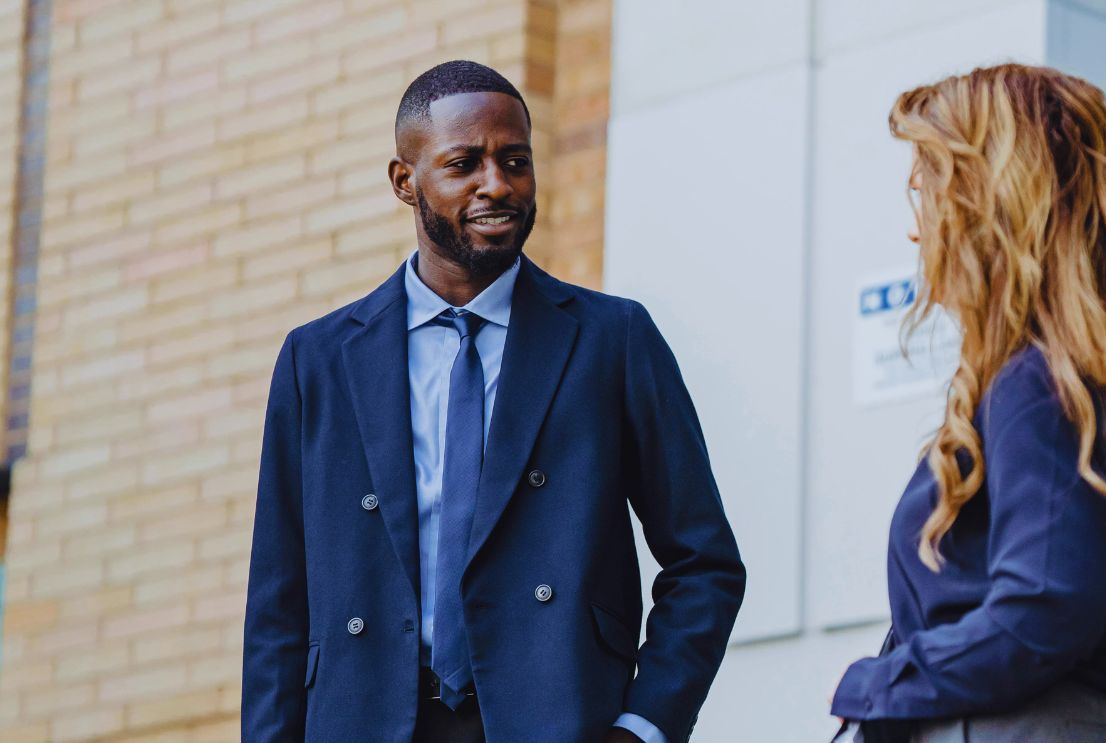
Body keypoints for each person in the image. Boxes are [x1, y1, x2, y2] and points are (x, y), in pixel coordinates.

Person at [242, 60, 745, 743]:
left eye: (515, 160)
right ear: (404, 181)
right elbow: (278, 605)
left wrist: (642, 726)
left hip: (554, 717)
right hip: (365, 718)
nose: (497, 185)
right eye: (464, 163)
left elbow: (702, 562)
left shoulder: (611, 340)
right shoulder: (319, 360)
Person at [830, 63, 1106, 742]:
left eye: (925, 192)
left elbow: (1044, 607)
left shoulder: (1040, 384)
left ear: (984, 205)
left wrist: (875, 685)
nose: (914, 231)